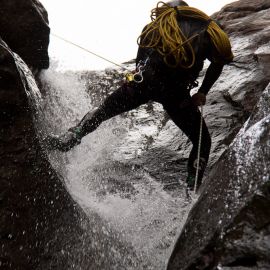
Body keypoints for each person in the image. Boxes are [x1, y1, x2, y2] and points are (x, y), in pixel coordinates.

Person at [46, 0, 233, 190]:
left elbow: (139, 65)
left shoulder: (155, 27)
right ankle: (192, 189)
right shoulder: (210, 30)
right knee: (203, 141)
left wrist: (133, 79)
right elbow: (219, 61)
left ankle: (70, 137)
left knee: (103, 111)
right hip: (176, 93)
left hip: (144, 84)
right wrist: (202, 92)